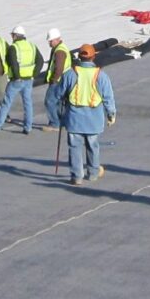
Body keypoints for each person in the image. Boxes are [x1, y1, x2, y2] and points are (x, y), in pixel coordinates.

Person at [63, 43, 117, 185]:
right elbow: (108, 97)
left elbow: (60, 94)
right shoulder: (101, 75)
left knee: (74, 147)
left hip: (74, 117)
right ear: (94, 57)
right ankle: (93, 173)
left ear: (79, 57)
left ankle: (77, 176)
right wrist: (111, 114)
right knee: (92, 146)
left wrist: (60, 114)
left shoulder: (71, 73)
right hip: (94, 118)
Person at [0, 23, 40, 135]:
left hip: (16, 81)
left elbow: (13, 63)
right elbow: (40, 61)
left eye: (12, 35)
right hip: (28, 80)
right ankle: (28, 127)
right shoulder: (32, 46)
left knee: (6, 103)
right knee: (27, 103)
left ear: (16, 36)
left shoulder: (14, 48)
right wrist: (34, 74)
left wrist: (16, 76)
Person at [42, 27, 72, 132]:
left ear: (57, 39)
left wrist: (54, 80)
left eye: (50, 41)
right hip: (63, 79)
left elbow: (59, 68)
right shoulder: (61, 48)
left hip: (58, 80)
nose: (49, 43)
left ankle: (54, 123)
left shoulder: (59, 51)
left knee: (50, 101)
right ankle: (61, 122)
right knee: (58, 102)